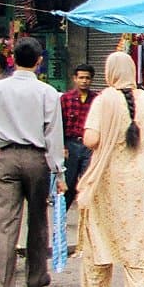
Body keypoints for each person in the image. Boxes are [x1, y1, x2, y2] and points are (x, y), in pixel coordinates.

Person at [0, 37, 66, 287]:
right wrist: (58, 170)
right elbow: (53, 135)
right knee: (38, 219)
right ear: (40, 61)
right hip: (37, 160)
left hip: (6, 158)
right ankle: (36, 277)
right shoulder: (48, 93)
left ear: (12, 59)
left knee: (4, 226)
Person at [76, 53, 144, 287]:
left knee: (99, 232)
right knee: (138, 236)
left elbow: (90, 140)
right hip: (141, 178)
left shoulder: (104, 100)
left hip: (108, 177)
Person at [60, 63, 96, 211]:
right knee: (68, 183)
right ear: (75, 79)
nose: (84, 81)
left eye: (87, 78)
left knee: (89, 183)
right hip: (71, 145)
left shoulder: (96, 100)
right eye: (81, 78)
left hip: (89, 146)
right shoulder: (66, 99)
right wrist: (61, 146)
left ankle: (88, 218)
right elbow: (60, 123)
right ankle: (61, 217)